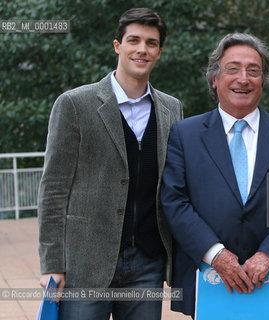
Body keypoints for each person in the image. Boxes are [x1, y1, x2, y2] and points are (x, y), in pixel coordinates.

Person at [37, 8, 183, 320]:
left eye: (151, 43)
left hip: (148, 261)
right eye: (134, 40)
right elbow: (53, 191)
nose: (142, 49)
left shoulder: (172, 109)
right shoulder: (75, 104)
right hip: (84, 262)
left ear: (159, 51)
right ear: (117, 45)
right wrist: (52, 264)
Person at [160, 33, 269, 319]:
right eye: (232, 69)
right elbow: (174, 201)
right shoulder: (185, 134)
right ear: (215, 79)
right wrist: (216, 254)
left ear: (263, 80)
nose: (243, 79)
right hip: (209, 281)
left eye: (253, 71)